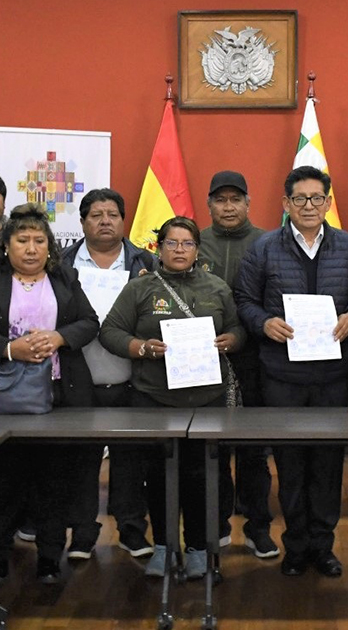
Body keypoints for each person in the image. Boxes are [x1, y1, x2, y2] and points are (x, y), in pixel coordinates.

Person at [234, 166, 348, 578]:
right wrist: (263, 323)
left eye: (317, 198)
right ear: (286, 204)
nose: (309, 206)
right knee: (290, 463)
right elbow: (244, 298)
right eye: (300, 199)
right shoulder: (264, 247)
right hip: (282, 373)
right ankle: (295, 545)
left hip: (332, 372)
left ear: (328, 202)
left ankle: (323, 546)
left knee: (327, 463)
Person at [0, 203, 98, 584]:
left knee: (54, 481)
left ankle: (51, 556)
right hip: (3, 397)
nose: (32, 248)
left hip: (59, 395)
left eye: (39, 241)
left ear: (50, 247)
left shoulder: (65, 276)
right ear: (6, 245)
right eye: (23, 240)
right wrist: (10, 349)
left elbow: (90, 322)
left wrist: (60, 337)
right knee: (3, 481)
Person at [99, 216, 247, 580]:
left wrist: (233, 340)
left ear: (197, 249)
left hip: (206, 400)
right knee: (158, 475)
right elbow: (110, 332)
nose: (179, 250)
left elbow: (237, 329)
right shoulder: (141, 288)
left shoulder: (217, 287)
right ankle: (165, 546)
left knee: (201, 477)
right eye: (171, 243)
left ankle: (198, 547)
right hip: (154, 399)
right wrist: (142, 348)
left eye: (187, 243)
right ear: (159, 248)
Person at [59, 187, 157, 560]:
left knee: (131, 460)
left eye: (112, 214)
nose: (104, 221)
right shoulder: (63, 264)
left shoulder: (146, 263)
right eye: (96, 215)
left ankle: (132, 530)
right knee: (81, 459)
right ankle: (83, 533)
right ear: (83, 222)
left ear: (123, 220)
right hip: (79, 378)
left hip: (132, 377)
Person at [196, 170, 277, 559]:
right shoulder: (193, 241)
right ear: (209, 204)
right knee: (214, 447)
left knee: (253, 449)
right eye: (220, 200)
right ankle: (217, 525)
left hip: (255, 357)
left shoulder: (267, 242)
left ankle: (259, 527)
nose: (228, 207)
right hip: (203, 359)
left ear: (248, 203)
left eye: (235, 200)